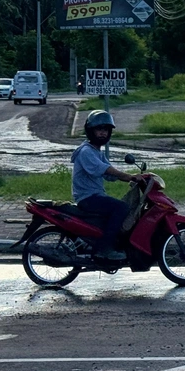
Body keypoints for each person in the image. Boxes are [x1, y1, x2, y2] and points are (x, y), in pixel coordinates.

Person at [71, 110, 148, 263]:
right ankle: (105, 249)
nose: (103, 133)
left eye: (106, 130)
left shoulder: (96, 152)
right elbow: (105, 169)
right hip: (87, 198)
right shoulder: (86, 151)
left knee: (119, 208)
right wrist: (128, 176)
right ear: (90, 131)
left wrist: (132, 178)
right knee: (121, 208)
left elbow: (110, 175)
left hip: (94, 196)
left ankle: (106, 242)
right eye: (99, 129)